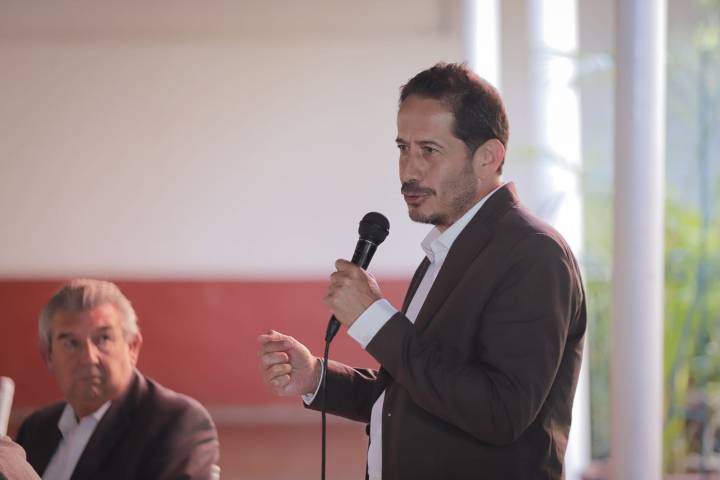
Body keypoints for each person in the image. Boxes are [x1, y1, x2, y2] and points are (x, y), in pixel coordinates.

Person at [258, 62, 586, 479]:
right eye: (403, 148)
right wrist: (317, 378)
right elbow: (415, 390)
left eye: (429, 150)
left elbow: (499, 413)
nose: (408, 170)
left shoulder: (534, 254)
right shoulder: (446, 250)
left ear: (488, 157)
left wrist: (375, 319)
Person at [15, 279, 220, 480]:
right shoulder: (35, 428)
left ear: (132, 347)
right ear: (48, 356)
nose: (89, 358)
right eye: (71, 343)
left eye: (103, 339)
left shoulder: (175, 422)